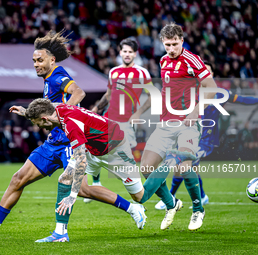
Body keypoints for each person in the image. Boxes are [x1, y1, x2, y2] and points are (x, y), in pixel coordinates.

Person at [0, 30, 145, 238]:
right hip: (53, 143)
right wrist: (28, 113)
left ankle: (132, 209)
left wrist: (64, 115)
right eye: (33, 61)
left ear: (51, 59)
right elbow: (47, 111)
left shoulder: (58, 76)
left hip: (69, 141)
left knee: (82, 189)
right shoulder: (48, 79)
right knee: (18, 178)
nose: (35, 64)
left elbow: (79, 93)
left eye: (39, 60)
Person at [25, 98, 184, 242]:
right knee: (65, 179)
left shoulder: (70, 125)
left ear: (45, 118)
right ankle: (60, 233)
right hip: (92, 147)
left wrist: (72, 196)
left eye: (37, 123)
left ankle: (169, 163)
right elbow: (44, 105)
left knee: (140, 197)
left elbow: (81, 162)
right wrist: (25, 112)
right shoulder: (56, 109)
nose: (39, 127)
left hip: (115, 150)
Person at [139, 22, 219, 231]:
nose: (171, 49)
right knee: (146, 168)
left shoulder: (192, 60)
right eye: (167, 45)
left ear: (182, 40)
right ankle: (171, 204)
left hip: (188, 124)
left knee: (183, 167)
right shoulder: (163, 60)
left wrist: (195, 111)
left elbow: (212, 88)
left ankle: (197, 209)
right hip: (166, 124)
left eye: (175, 44)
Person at [155, 61, 258, 210]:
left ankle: (170, 197)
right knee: (190, 167)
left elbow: (242, 99)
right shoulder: (190, 92)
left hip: (206, 140)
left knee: (184, 162)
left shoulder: (219, 94)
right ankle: (202, 196)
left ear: (212, 75)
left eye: (208, 72)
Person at [85, 38, 153, 203]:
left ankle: (139, 191)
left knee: (125, 157)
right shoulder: (113, 71)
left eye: (130, 52)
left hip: (126, 122)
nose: (127, 54)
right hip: (108, 118)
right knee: (92, 147)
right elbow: (108, 95)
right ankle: (96, 182)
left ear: (135, 54)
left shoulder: (142, 73)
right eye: (125, 51)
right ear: (120, 52)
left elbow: (152, 96)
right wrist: (96, 109)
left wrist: (138, 114)